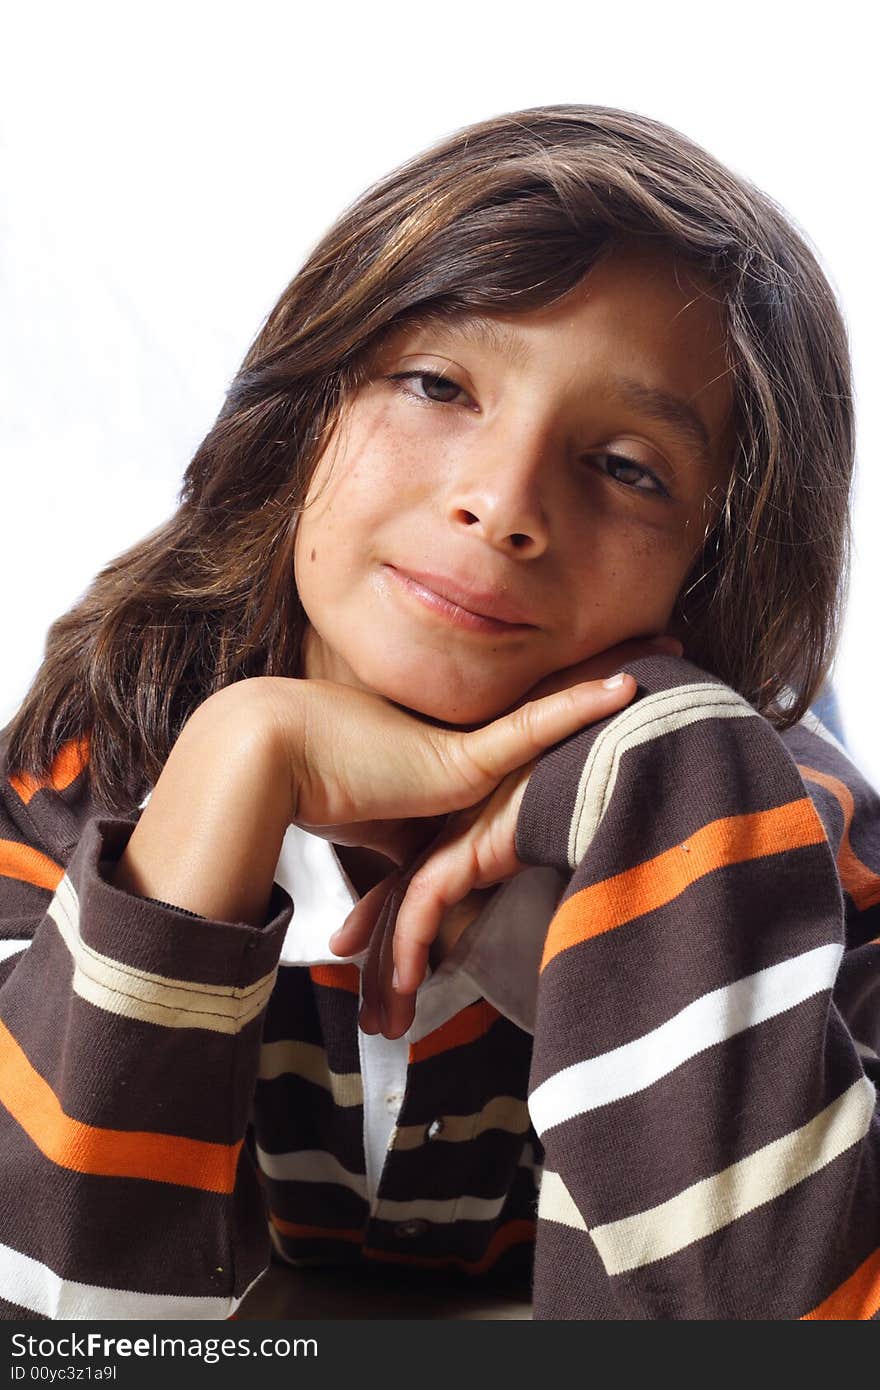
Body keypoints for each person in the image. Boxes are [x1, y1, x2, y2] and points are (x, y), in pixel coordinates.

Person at [1, 103, 877, 1322]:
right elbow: (48, 1323)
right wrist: (235, 761)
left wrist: (672, 789)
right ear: (307, 416)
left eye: (626, 466)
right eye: (435, 383)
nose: (502, 502)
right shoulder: (89, 769)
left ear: (712, 567)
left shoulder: (798, 842)